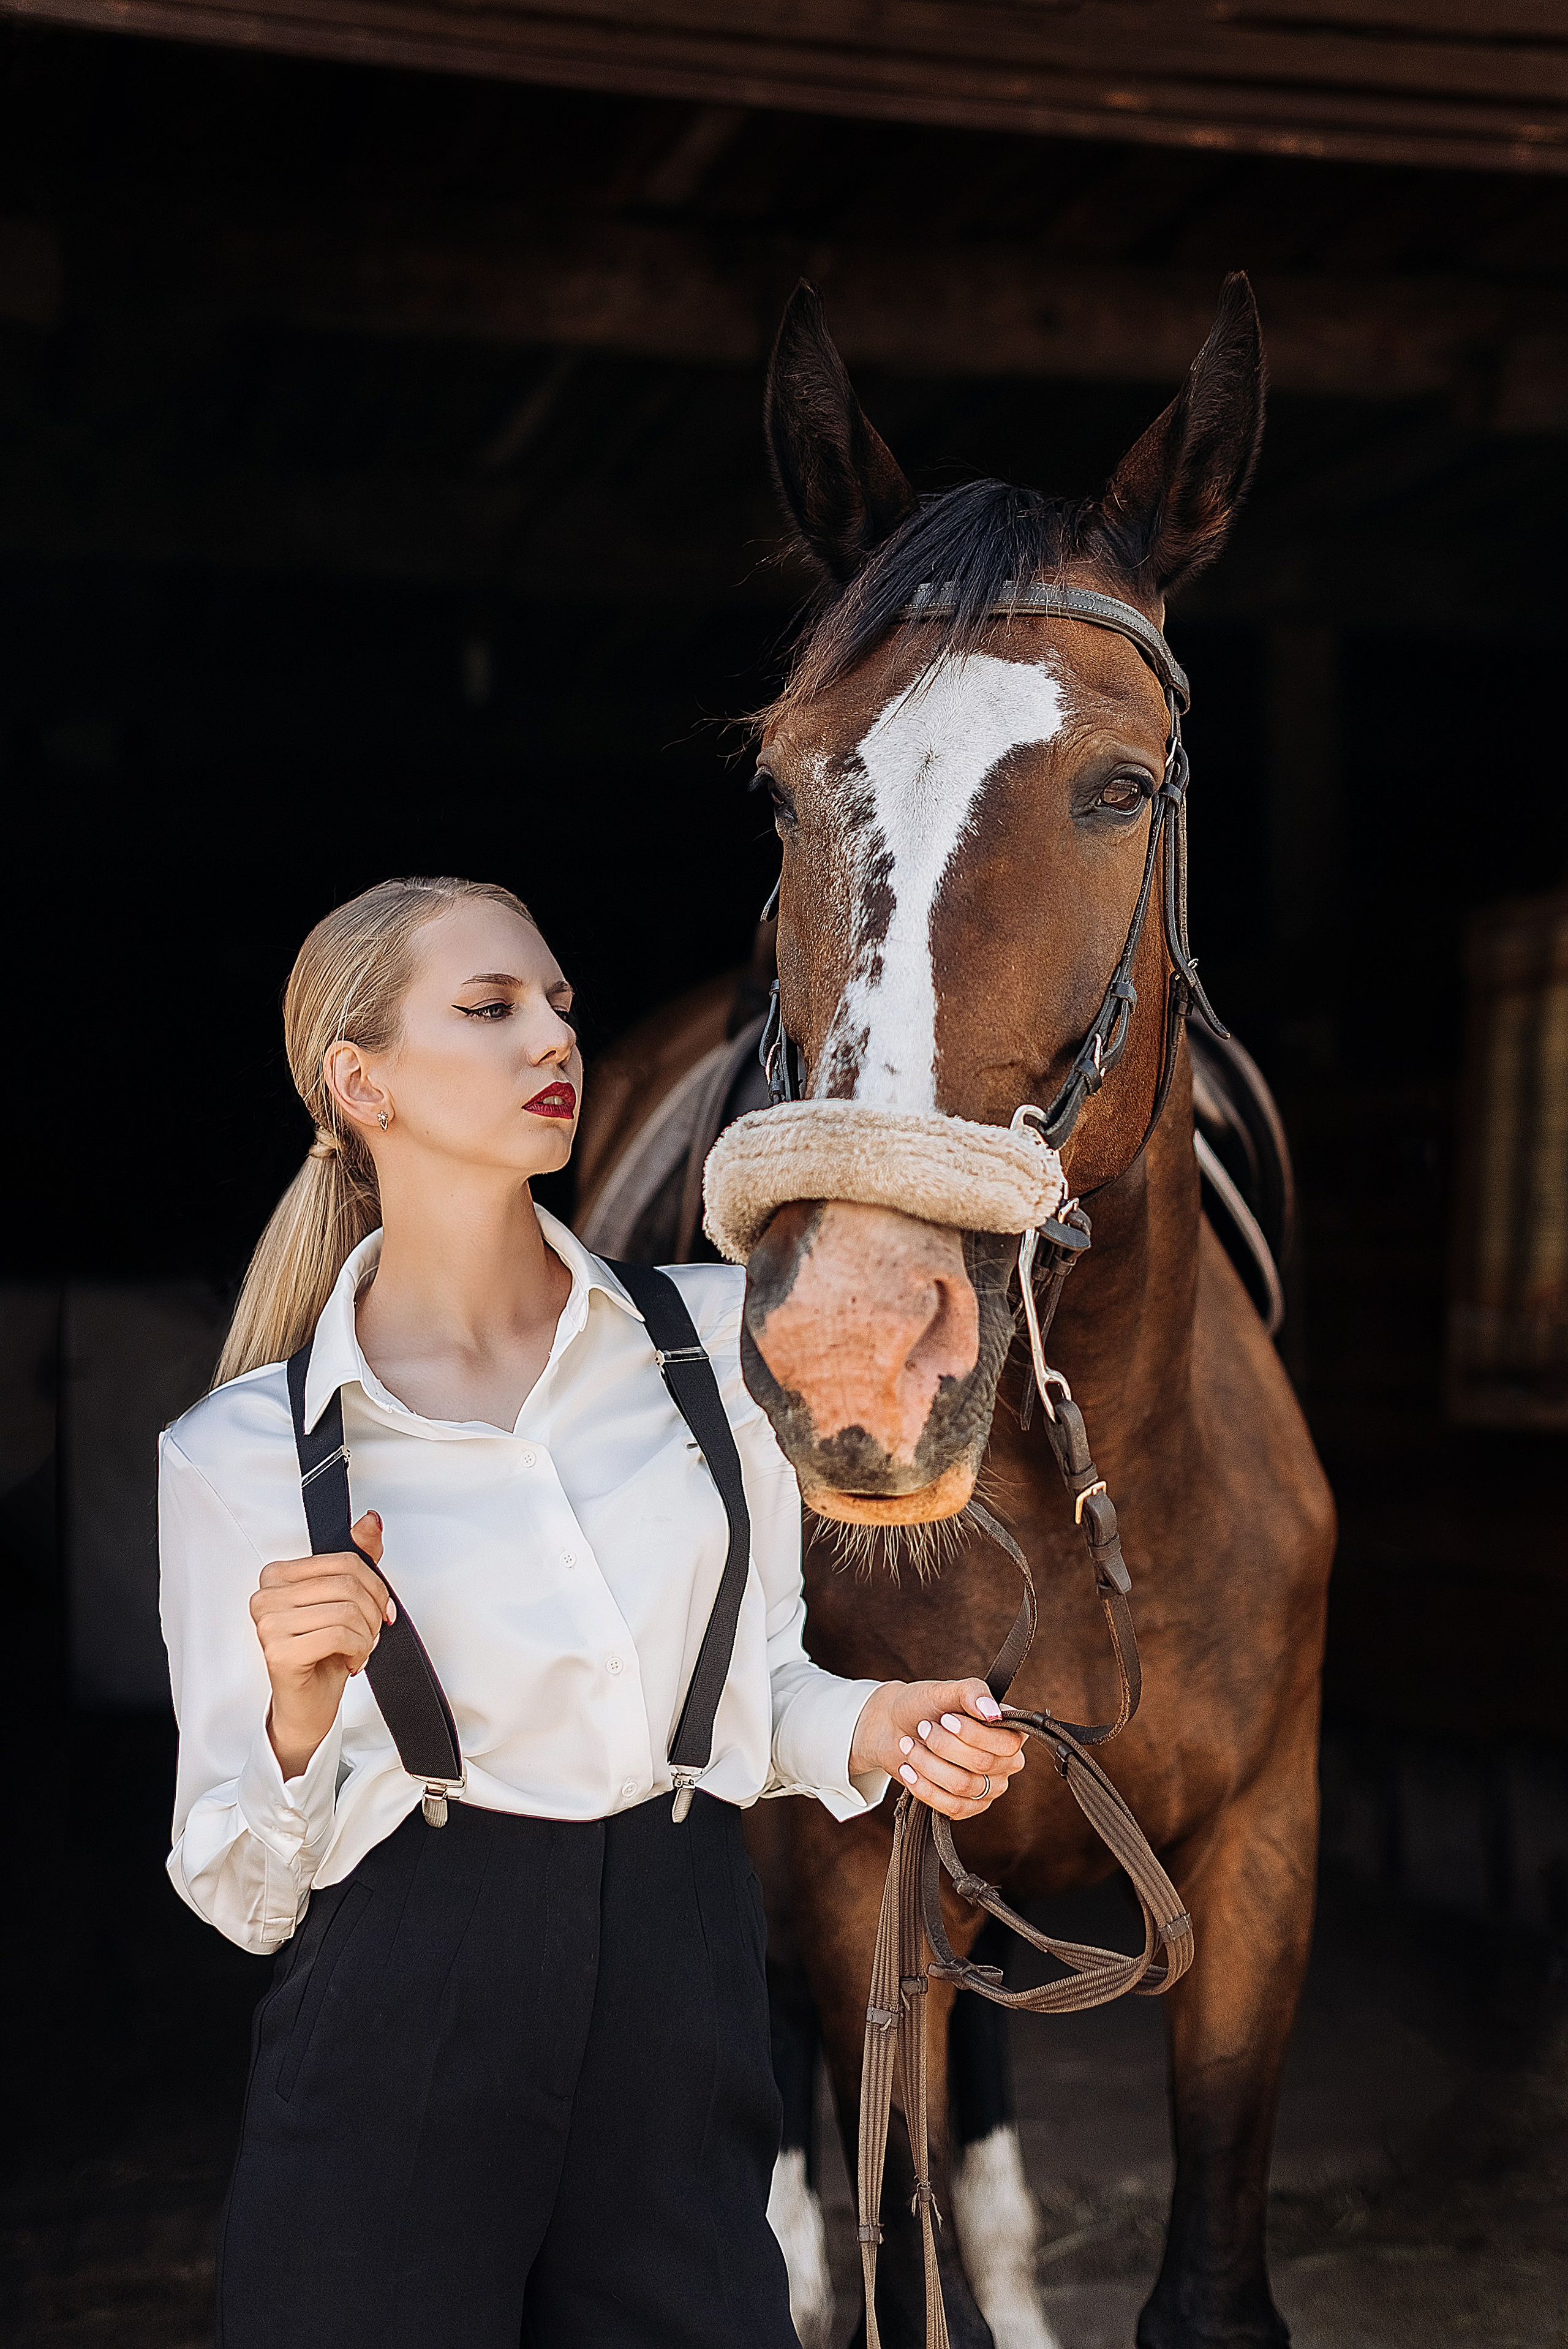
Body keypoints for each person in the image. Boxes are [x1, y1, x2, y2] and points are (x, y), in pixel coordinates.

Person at [159, 875, 1026, 2349]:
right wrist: (300, 1719)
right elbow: (240, 1888)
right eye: (489, 1010)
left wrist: (875, 1723)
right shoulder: (240, 1452)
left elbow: (757, 1690)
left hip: (682, 1991)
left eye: (557, 1005)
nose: (549, 1038)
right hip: (401, 2016)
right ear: (358, 1079)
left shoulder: (704, 1342)